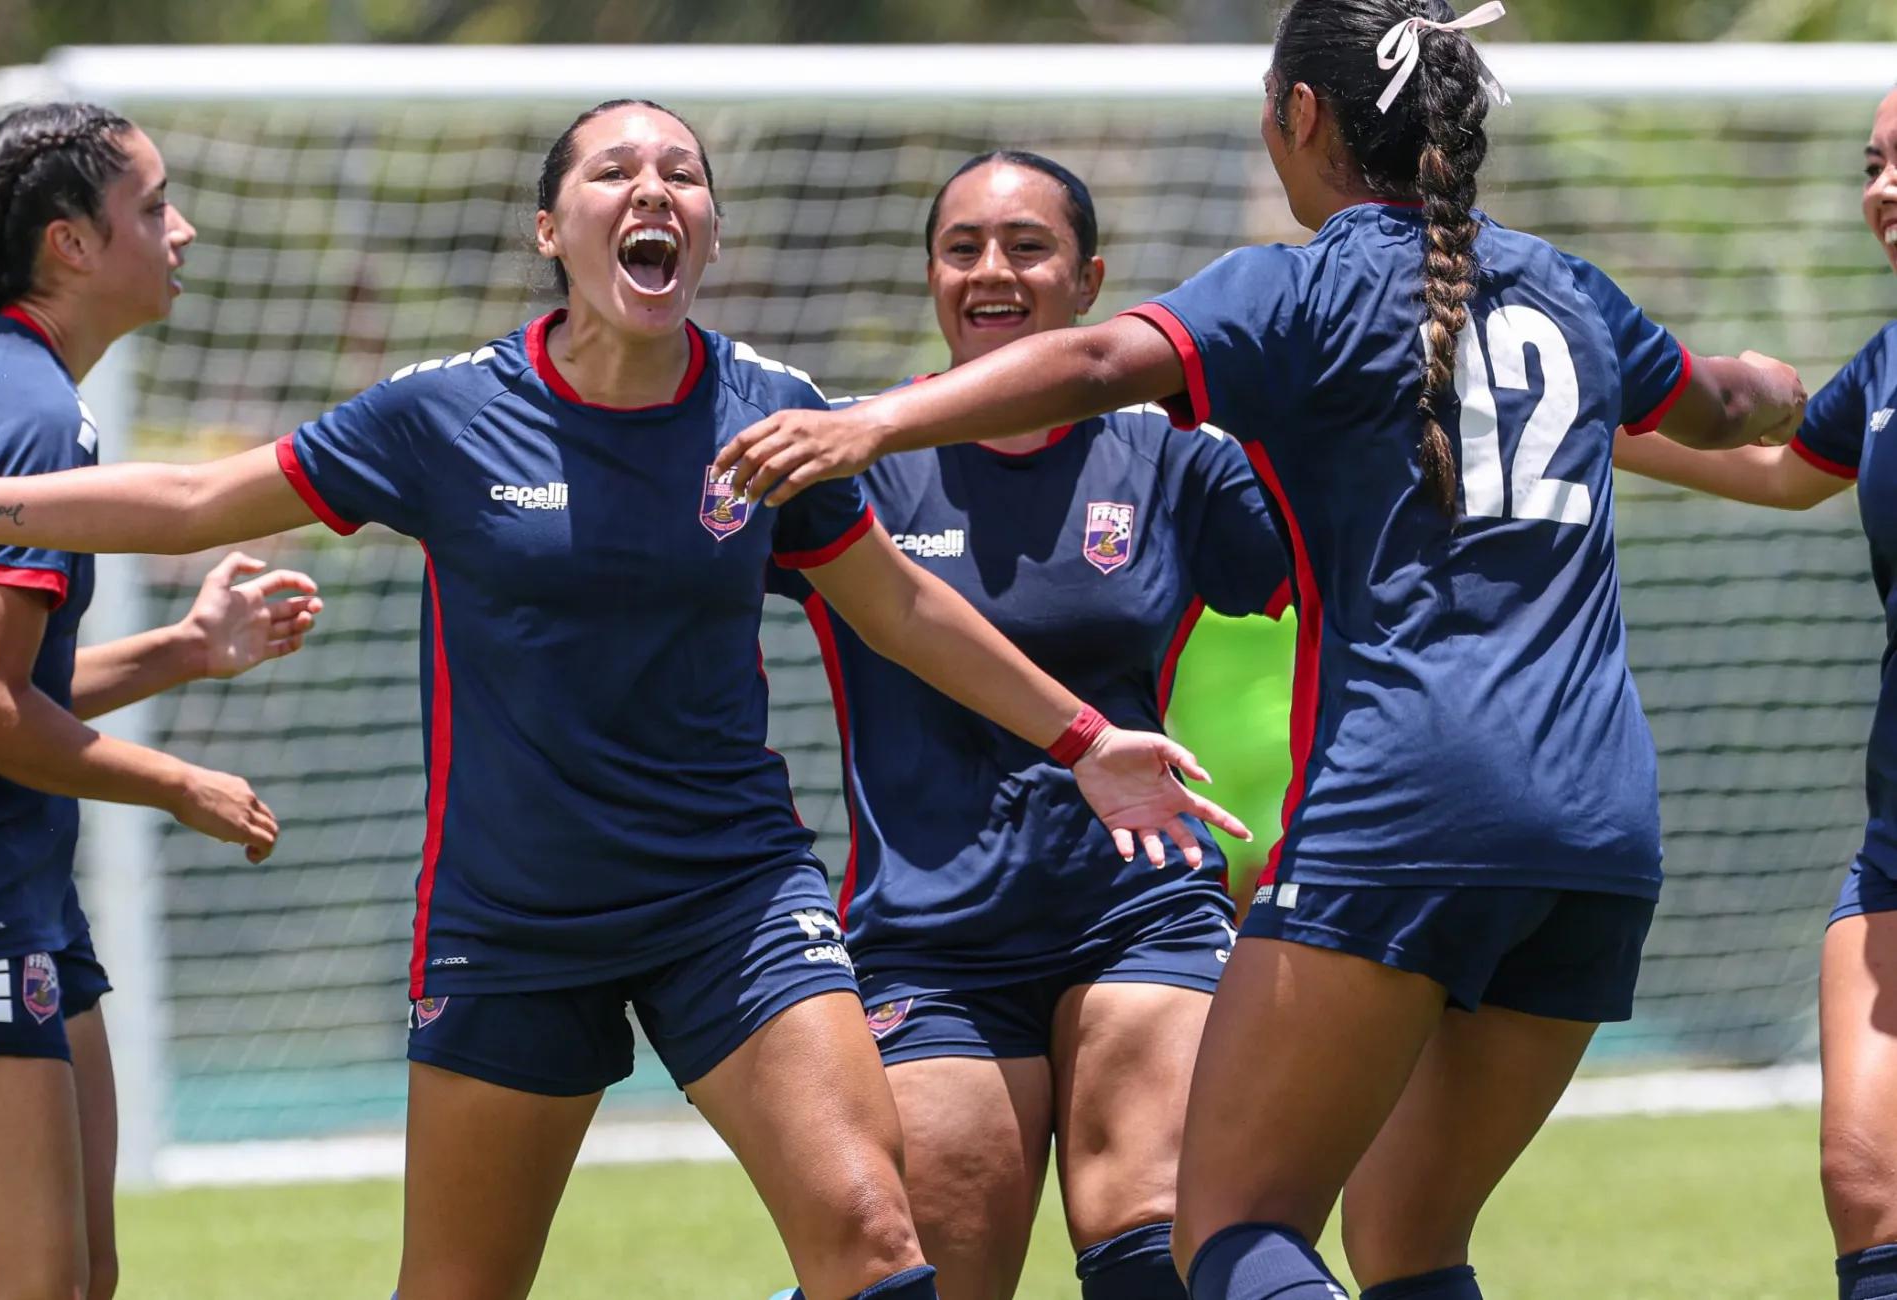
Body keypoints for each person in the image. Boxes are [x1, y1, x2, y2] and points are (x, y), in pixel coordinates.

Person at [0, 99, 1248, 1300]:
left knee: (879, 1249)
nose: (651, 186)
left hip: (733, 901)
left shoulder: (766, 414)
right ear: (555, 232)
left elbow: (905, 609)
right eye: (614, 169)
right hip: (511, 920)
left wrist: (1084, 738)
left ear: (710, 233)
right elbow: (190, 498)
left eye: (681, 170)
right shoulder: (442, 415)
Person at [708, 3, 1811, 1296]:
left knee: (1230, 1230)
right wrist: (1780, 385)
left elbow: (1099, 364)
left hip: (1404, 811)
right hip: (1599, 829)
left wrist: (871, 425)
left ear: (1300, 118)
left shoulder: (1305, 288)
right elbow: (1727, 407)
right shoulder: (1570, 290)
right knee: (1408, 1240)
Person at [0, 102, 317, 1300]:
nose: (180, 230)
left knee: (79, 1278)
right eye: (152, 206)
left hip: (1, 862)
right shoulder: (34, 414)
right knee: (23, 1281)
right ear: (70, 245)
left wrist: (186, 651)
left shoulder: (10, 382)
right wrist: (178, 782)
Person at [766, 149, 1290, 1300]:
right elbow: (661, 577)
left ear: (1089, 278)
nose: (992, 271)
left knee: (1159, 1237)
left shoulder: (1173, 457)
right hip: (931, 932)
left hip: (1140, 901)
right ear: (931, 280)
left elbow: (1353, 575)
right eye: (963, 249)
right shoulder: (849, 455)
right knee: (940, 1269)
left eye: (1027, 246)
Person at [1613, 82, 1897, 1300]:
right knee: (1866, 1178)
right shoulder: (1890, 358)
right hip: (1894, 839)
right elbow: (1790, 473)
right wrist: (1598, 414)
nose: (1885, 189)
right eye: (1874, 166)